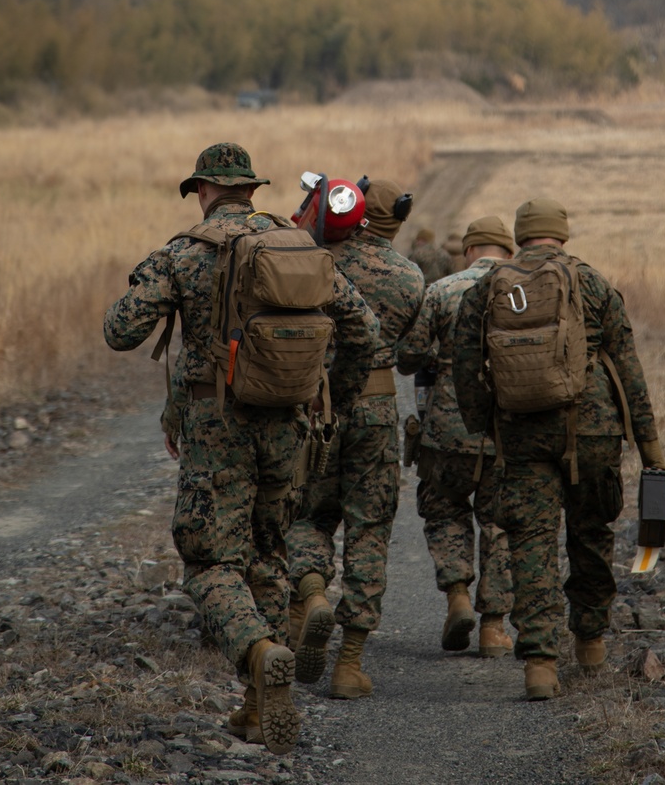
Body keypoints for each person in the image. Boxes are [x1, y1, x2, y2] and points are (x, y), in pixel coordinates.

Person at [103, 143, 378, 755]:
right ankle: (257, 709)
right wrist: (329, 392)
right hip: (288, 424)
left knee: (209, 562)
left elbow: (121, 332)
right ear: (252, 190)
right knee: (269, 552)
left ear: (202, 188)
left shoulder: (183, 252)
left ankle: (259, 651)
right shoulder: (297, 246)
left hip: (216, 425)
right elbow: (365, 329)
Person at [452, 196, 665, 701]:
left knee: (532, 545)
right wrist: (651, 446)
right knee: (590, 534)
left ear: (520, 236)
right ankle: (590, 642)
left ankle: (540, 665)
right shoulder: (592, 283)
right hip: (592, 433)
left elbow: (465, 367)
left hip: (521, 432)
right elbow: (628, 369)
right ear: (563, 234)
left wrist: (488, 425)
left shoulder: (488, 286)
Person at [287, 178, 425, 698]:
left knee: (307, 513)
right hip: (375, 407)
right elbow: (411, 347)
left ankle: (312, 592)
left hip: (314, 406)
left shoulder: (312, 261)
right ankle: (349, 664)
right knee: (369, 529)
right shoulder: (409, 277)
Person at [396, 215, 515, 658]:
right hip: (506, 434)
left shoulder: (441, 290)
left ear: (468, 251)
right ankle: (494, 627)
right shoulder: (522, 290)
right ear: (509, 251)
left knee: (445, 512)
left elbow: (407, 358)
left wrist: (439, 356)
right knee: (500, 524)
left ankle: (458, 596)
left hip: (446, 432)